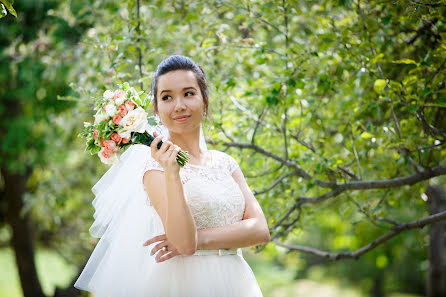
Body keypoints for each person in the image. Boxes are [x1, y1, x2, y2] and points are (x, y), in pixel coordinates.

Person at [74, 55, 270, 297]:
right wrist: (173, 173)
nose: (179, 105)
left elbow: (261, 230)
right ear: (156, 108)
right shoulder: (154, 169)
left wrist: (201, 238)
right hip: (184, 284)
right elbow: (185, 245)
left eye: (189, 93)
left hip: (236, 281)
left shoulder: (225, 163)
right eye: (167, 97)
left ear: (205, 100)